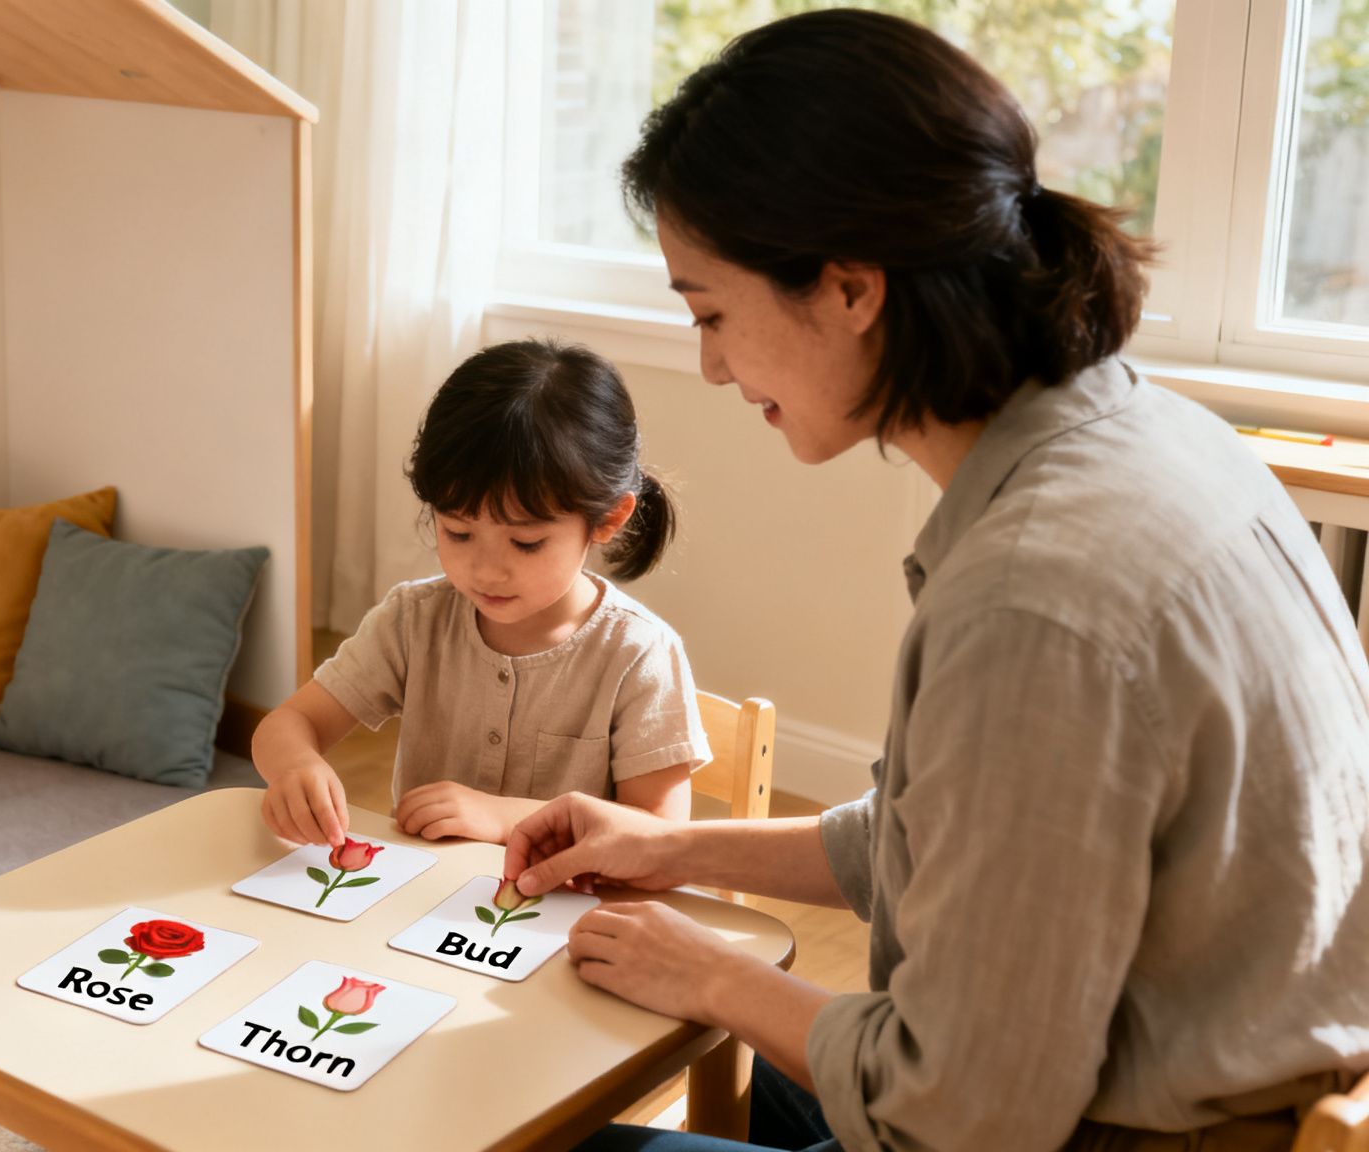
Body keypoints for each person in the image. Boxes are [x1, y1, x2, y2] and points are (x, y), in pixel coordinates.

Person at [502, 11, 1369, 1152]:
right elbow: (962, 846)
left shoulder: (1031, 598)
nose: (709, 364)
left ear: (850, 288)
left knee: (569, 1136)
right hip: (1192, 1055)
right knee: (745, 1075)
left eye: (710, 313)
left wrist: (712, 974)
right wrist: (670, 849)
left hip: (1124, 1126)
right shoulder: (1159, 436)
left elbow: (957, 1113)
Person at [253, 339, 711, 849]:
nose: (485, 571)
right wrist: (296, 765)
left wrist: (506, 818)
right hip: (419, 900)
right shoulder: (413, 621)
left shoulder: (637, 654)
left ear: (607, 519)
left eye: (526, 542)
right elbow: (290, 722)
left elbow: (660, 833)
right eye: (458, 533)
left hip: (567, 915)